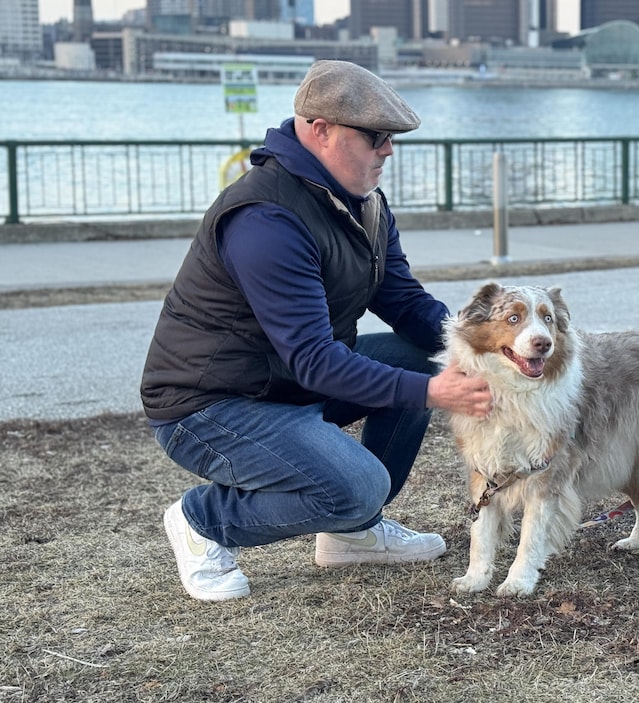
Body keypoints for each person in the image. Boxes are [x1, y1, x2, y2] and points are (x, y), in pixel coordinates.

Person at [141, 60, 493, 601]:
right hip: (211, 406)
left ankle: (352, 534)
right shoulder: (266, 219)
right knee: (360, 484)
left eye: (392, 138)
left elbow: (403, 301)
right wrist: (431, 391)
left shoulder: (364, 205)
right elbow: (313, 358)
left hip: (287, 386)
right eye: (376, 137)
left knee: (427, 357)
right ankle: (201, 521)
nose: (388, 151)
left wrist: (486, 345)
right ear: (320, 129)